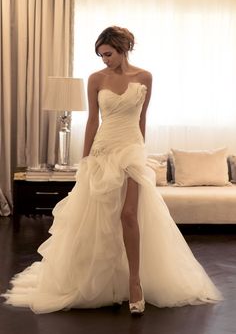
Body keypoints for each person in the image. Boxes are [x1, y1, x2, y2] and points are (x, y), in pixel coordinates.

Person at [2, 26, 222, 315]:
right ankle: (99, 279)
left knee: (129, 214)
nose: (104, 59)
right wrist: (85, 159)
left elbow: (143, 117)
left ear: (122, 49)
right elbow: (93, 120)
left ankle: (134, 282)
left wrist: (141, 151)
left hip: (131, 149)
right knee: (99, 216)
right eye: (101, 55)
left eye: (108, 54)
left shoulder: (144, 77)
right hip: (103, 150)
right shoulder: (96, 79)